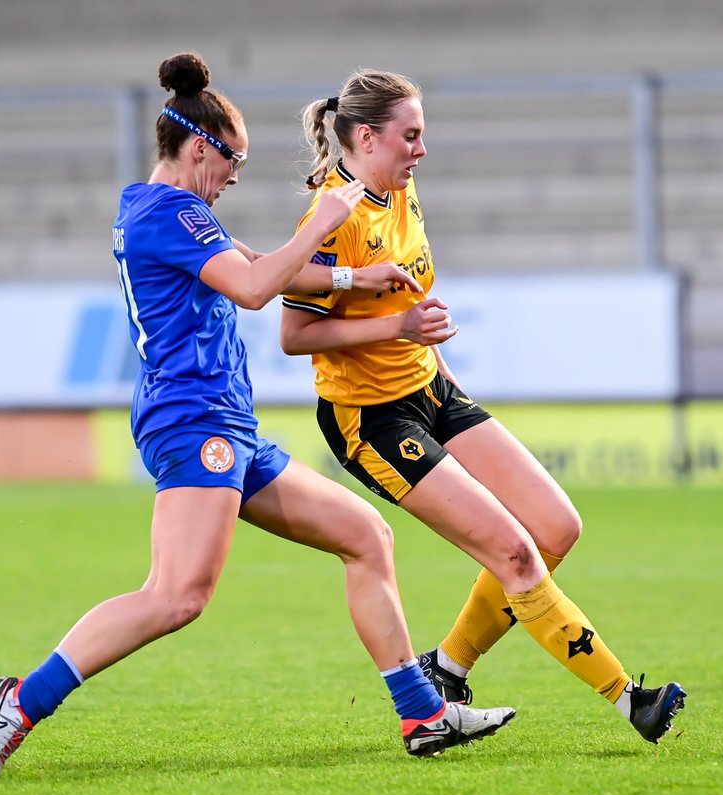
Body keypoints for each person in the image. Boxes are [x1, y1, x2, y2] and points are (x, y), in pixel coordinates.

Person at [0, 53, 517, 780]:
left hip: (226, 422)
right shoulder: (167, 213)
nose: (236, 176)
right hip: (191, 421)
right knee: (176, 596)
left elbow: (259, 261)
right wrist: (327, 219)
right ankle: (21, 701)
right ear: (202, 147)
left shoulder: (174, 210)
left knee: (365, 535)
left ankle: (420, 711)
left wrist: (353, 275)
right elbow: (258, 289)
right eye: (234, 161)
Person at [280, 69, 686, 745]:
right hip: (371, 419)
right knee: (517, 555)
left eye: (422, 135)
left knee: (557, 527)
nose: (421, 149)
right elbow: (294, 336)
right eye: (411, 136)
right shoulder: (333, 219)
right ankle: (629, 699)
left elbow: (408, 302)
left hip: (432, 389)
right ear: (366, 137)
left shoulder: (401, 191)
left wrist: (437, 364)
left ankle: (447, 667)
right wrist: (397, 329)